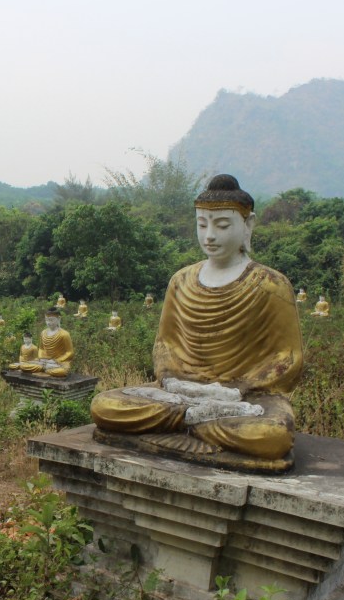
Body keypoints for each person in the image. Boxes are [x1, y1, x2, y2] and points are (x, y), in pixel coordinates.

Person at [89, 175, 303, 466]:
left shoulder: (270, 284)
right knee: (105, 406)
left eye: (222, 225)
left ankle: (188, 422)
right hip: (179, 394)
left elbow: (288, 357)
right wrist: (171, 380)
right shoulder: (181, 280)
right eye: (202, 225)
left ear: (247, 225)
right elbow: (165, 344)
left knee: (271, 435)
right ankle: (195, 422)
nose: (210, 236)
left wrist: (239, 388)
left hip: (240, 400)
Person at [14, 308, 74, 378]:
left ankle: (44, 369)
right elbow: (41, 348)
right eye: (47, 320)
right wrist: (41, 358)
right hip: (44, 361)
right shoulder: (43, 333)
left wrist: (57, 360)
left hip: (58, 362)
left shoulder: (64, 334)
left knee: (62, 371)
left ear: (59, 319)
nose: (48, 322)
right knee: (23, 366)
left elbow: (70, 353)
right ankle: (45, 369)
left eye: (51, 320)